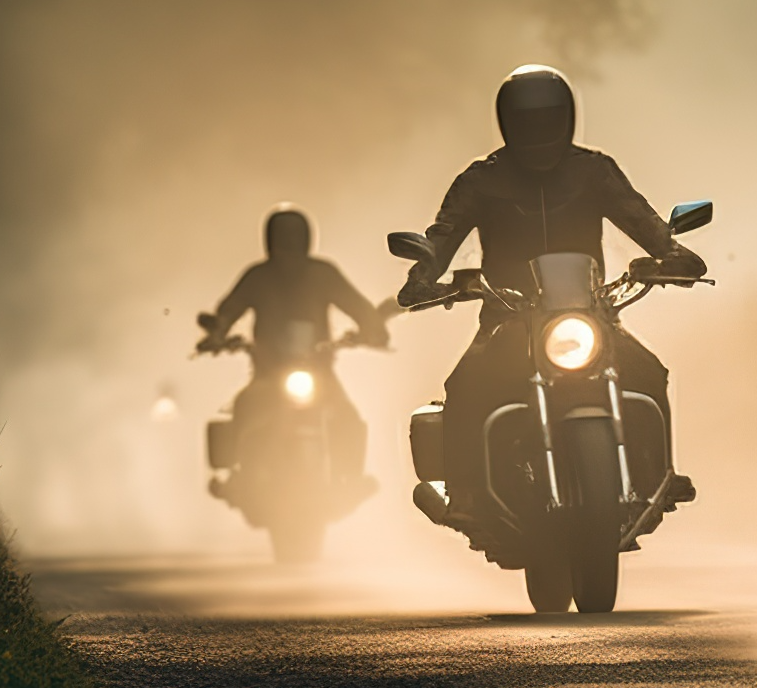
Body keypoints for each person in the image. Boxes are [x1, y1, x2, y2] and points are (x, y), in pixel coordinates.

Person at [397, 65, 704, 534]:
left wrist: (672, 251)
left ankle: (657, 476)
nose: (537, 129)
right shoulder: (482, 180)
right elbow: (442, 236)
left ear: (566, 117)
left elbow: (638, 216)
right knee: (465, 388)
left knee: (647, 373)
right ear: (506, 121)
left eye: (546, 118)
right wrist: (424, 273)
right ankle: (467, 495)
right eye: (527, 120)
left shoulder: (593, 171)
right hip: (507, 317)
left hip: (589, 311)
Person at [199, 205, 390, 482]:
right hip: (267, 373)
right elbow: (229, 310)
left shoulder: (322, 274)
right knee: (243, 408)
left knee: (346, 417)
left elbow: (357, 306)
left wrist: (373, 328)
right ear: (270, 243)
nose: (288, 251)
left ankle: (350, 479)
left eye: (293, 242)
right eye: (282, 242)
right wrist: (217, 332)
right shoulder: (258, 277)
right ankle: (236, 479)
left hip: (319, 371)